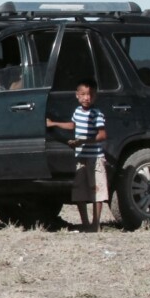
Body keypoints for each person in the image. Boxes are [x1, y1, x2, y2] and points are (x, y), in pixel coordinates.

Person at [47, 79, 107, 231]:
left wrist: (85, 141)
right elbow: (73, 125)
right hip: (81, 157)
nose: (87, 98)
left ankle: (96, 223)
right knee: (79, 190)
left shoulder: (97, 114)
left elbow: (102, 135)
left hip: (95, 157)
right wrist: (54, 123)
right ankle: (85, 223)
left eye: (90, 95)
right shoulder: (77, 112)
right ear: (77, 95)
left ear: (95, 96)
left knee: (96, 191)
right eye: (84, 94)